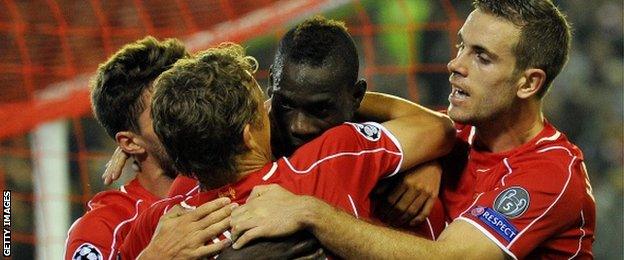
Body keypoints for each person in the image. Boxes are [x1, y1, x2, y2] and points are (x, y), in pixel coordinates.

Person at [229, 1, 596, 259]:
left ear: (529, 83)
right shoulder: (454, 133)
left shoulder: (551, 172)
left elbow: (449, 259)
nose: (455, 64)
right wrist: (432, 152)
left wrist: (309, 212)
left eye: (481, 57)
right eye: (461, 46)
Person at [118, 42, 455, 259]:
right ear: (249, 135)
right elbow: (437, 129)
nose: (270, 110)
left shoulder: (159, 225)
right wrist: (342, 99)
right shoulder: (329, 158)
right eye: (262, 104)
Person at [64, 37, 234, 260]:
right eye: (164, 112)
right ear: (130, 142)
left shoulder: (234, 165)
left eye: (189, 101)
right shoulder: (104, 226)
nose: (187, 117)